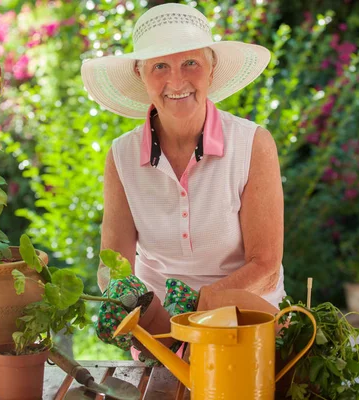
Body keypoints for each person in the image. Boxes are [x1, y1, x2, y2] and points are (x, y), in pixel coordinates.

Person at [81, 3, 285, 350]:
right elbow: (114, 264)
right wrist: (134, 306)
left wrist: (197, 310)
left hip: (245, 321)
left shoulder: (253, 144)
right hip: (159, 329)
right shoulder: (121, 156)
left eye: (190, 62)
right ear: (141, 75)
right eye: (160, 66)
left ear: (211, 68)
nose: (176, 80)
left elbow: (265, 265)